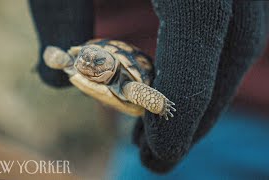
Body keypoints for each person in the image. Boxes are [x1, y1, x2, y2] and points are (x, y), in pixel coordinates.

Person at [28, 0, 269, 173]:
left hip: (221, 98)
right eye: (88, 59)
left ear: (111, 66)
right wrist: (54, 58)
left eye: (97, 61)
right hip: (181, 124)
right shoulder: (85, 58)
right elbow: (61, 58)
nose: (89, 63)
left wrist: (160, 104)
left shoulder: (129, 86)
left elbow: (140, 92)